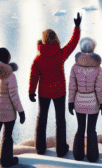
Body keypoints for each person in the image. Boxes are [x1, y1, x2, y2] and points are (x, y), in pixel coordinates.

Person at [28, 13, 82, 156]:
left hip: (44, 93)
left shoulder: (38, 59)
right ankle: (60, 149)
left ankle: (40, 148)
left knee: (42, 118)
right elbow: (73, 43)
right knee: (60, 119)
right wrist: (77, 27)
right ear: (55, 38)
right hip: (59, 91)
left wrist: (31, 92)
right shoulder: (60, 54)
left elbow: (34, 77)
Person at [0, 47, 26, 167]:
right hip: (8, 110)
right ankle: (7, 160)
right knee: (7, 135)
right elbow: (14, 96)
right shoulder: (10, 76)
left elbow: (3, 69)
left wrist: (9, 67)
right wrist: (21, 111)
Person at [67, 37, 102, 162]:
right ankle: (92, 156)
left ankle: (78, 155)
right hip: (92, 102)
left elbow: (72, 87)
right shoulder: (97, 67)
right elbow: (99, 88)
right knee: (91, 129)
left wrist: (70, 102)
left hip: (79, 100)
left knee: (80, 127)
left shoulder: (75, 67)